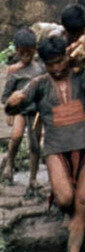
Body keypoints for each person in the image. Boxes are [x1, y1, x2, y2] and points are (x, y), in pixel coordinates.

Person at [6, 35, 85, 252]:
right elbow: (13, 105)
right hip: (56, 149)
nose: (56, 68)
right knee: (66, 198)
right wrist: (13, 101)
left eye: (60, 62)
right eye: (50, 64)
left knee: (83, 202)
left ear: (67, 56)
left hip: (84, 147)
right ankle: (63, 207)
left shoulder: (80, 76)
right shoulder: (38, 83)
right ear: (44, 64)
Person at [0, 28, 43, 190]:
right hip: (20, 110)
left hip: (35, 112)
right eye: (21, 52)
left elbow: (44, 91)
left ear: (35, 49)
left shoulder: (40, 69)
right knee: (16, 136)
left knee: (35, 144)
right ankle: (9, 163)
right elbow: (6, 96)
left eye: (29, 51)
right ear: (16, 51)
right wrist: (9, 109)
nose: (25, 55)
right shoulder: (14, 70)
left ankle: (33, 178)